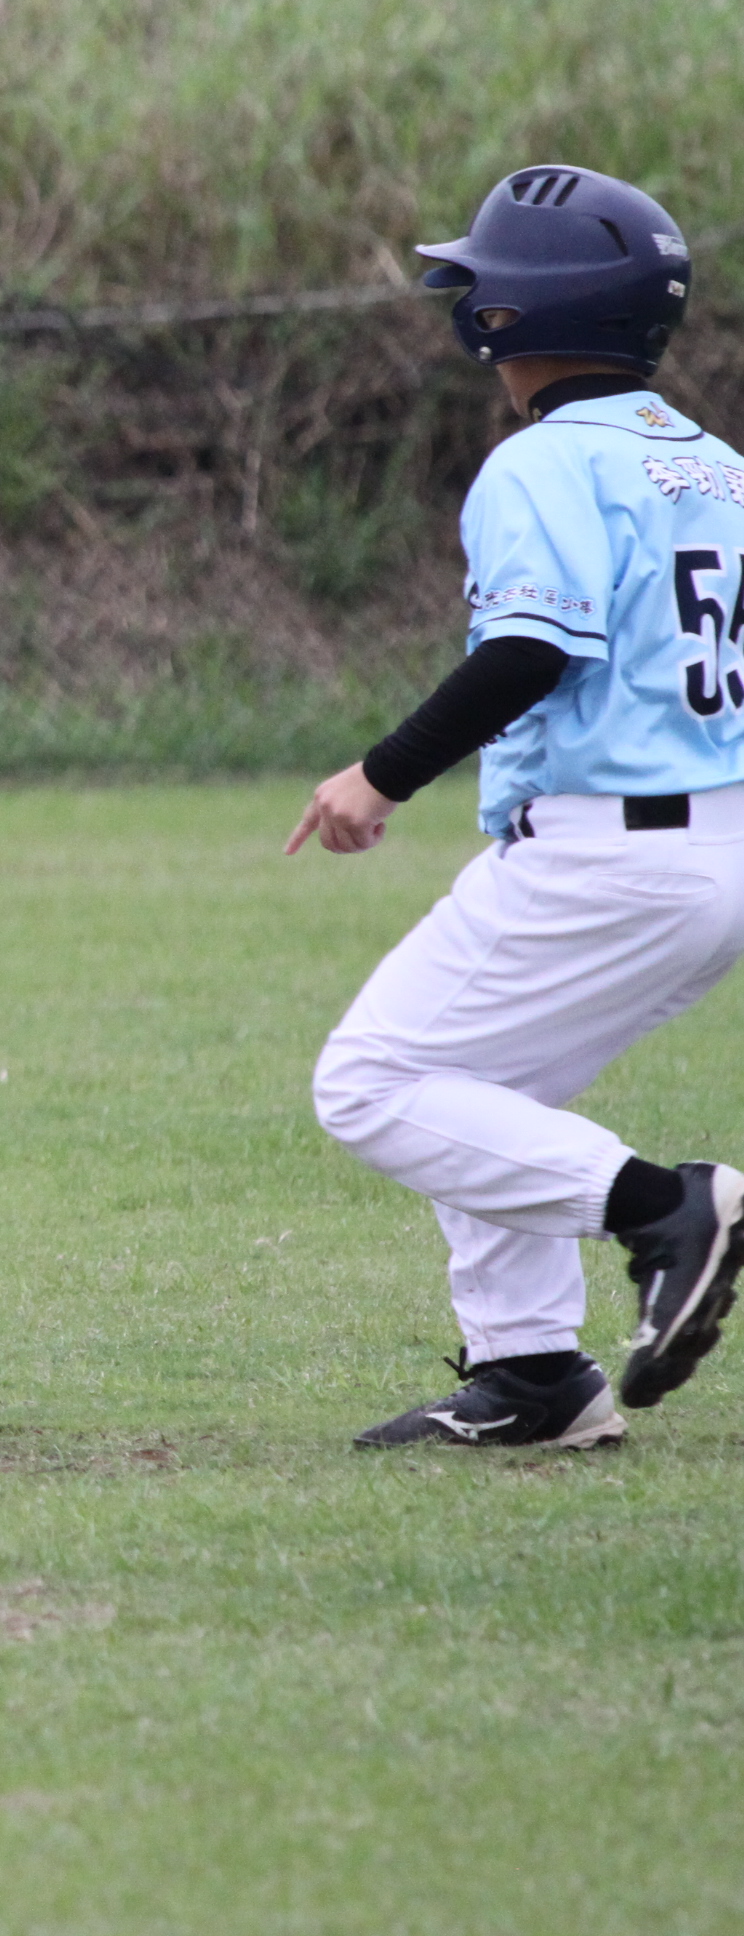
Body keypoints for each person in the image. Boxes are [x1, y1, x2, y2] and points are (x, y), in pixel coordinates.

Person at [292, 164, 744, 1450]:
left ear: (512, 315)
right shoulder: (718, 468)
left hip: (608, 851)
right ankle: (535, 1375)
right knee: (483, 1093)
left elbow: (532, 649)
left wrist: (377, 777)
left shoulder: (541, 463)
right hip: (715, 846)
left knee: (372, 1082)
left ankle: (668, 1210)